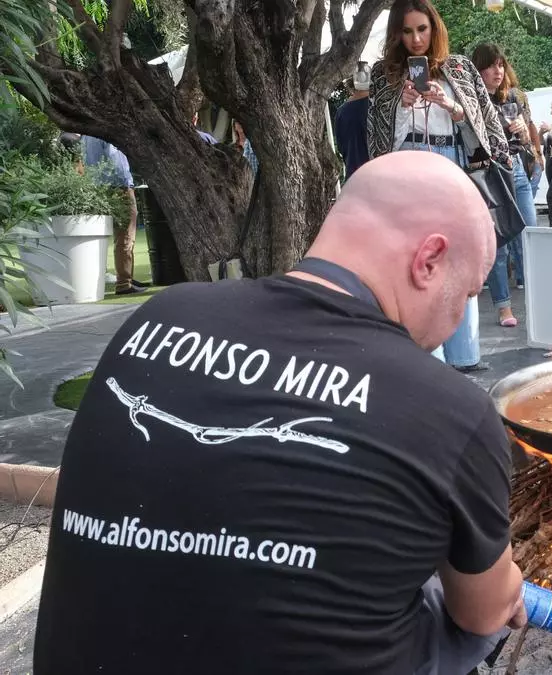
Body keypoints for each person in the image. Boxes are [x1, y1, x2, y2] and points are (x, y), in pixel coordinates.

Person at [33, 152, 525, 675]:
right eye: (466, 295)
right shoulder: (449, 408)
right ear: (428, 260)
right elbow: (484, 613)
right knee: (453, 606)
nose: (457, 322)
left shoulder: (155, 317)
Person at [365, 0, 510, 373]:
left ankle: (465, 353)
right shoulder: (385, 74)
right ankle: (428, 356)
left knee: (459, 259)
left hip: (453, 168)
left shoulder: (459, 67)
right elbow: (378, 140)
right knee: (417, 262)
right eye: (408, 31)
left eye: (422, 29)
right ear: (397, 33)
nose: (415, 39)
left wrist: (452, 107)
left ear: (435, 28)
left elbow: (485, 127)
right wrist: (402, 104)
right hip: (407, 170)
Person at [473, 42, 537, 327]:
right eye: (490, 65)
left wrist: (524, 133)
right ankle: (503, 307)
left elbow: (524, 140)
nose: (497, 71)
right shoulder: (472, 101)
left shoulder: (512, 97)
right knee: (497, 241)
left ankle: (538, 301)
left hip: (518, 170)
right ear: (479, 68)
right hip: (492, 177)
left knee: (530, 236)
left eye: (501, 65)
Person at [82, 135, 146, 296]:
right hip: (117, 186)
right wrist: (126, 184)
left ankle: (127, 277)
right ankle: (124, 282)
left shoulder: (85, 135)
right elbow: (116, 161)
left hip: (97, 187)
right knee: (125, 235)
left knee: (104, 236)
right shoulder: (105, 132)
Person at [335, 72, 372, 179]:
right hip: (374, 171)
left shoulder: (341, 111)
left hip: (352, 173)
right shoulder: (374, 107)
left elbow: (341, 146)